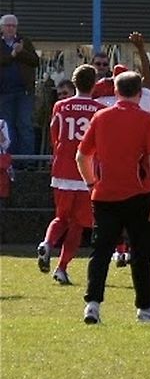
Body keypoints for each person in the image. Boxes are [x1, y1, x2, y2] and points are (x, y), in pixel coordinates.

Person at [74, 71, 150, 324]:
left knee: (101, 251)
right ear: (139, 92)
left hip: (105, 194)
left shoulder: (100, 117)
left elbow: (82, 156)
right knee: (141, 252)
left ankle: (92, 305)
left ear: (115, 91)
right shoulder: (148, 119)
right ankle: (146, 308)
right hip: (138, 194)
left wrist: (91, 182)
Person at [37, 63, 101, 285]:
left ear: (74, 83)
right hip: (85, 171)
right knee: (78, 224)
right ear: (94, 84)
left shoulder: (60, 106)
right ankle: (62, 267)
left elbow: (55, 136)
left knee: (61, 217)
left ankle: (47, 243)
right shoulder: (98, 109)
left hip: (62, 168)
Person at [0, 13, 39, 156]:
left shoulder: (24, 42)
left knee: (25, 124)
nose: (11, 28)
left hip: (24, 91)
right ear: (2, 27)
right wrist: (12, 55)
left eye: (13, 26)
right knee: (7, 126)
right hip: (4, 91)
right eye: (8, 26)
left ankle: (27, 160)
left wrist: (21, 52)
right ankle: (10, 158)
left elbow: (35, 61)